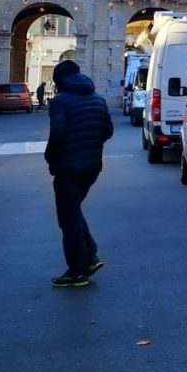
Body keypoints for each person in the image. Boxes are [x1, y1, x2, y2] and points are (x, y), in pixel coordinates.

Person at [44, 60, 113, 288]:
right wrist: (91, 146)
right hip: (92, 166)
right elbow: (107, 131)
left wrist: (51, 158)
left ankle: (77, 271)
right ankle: (90, 256)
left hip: (68, 167)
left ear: (58, 81)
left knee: (68, 219)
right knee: (73, 210)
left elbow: (57, 135)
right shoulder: (98, 99)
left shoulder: (60, 102)